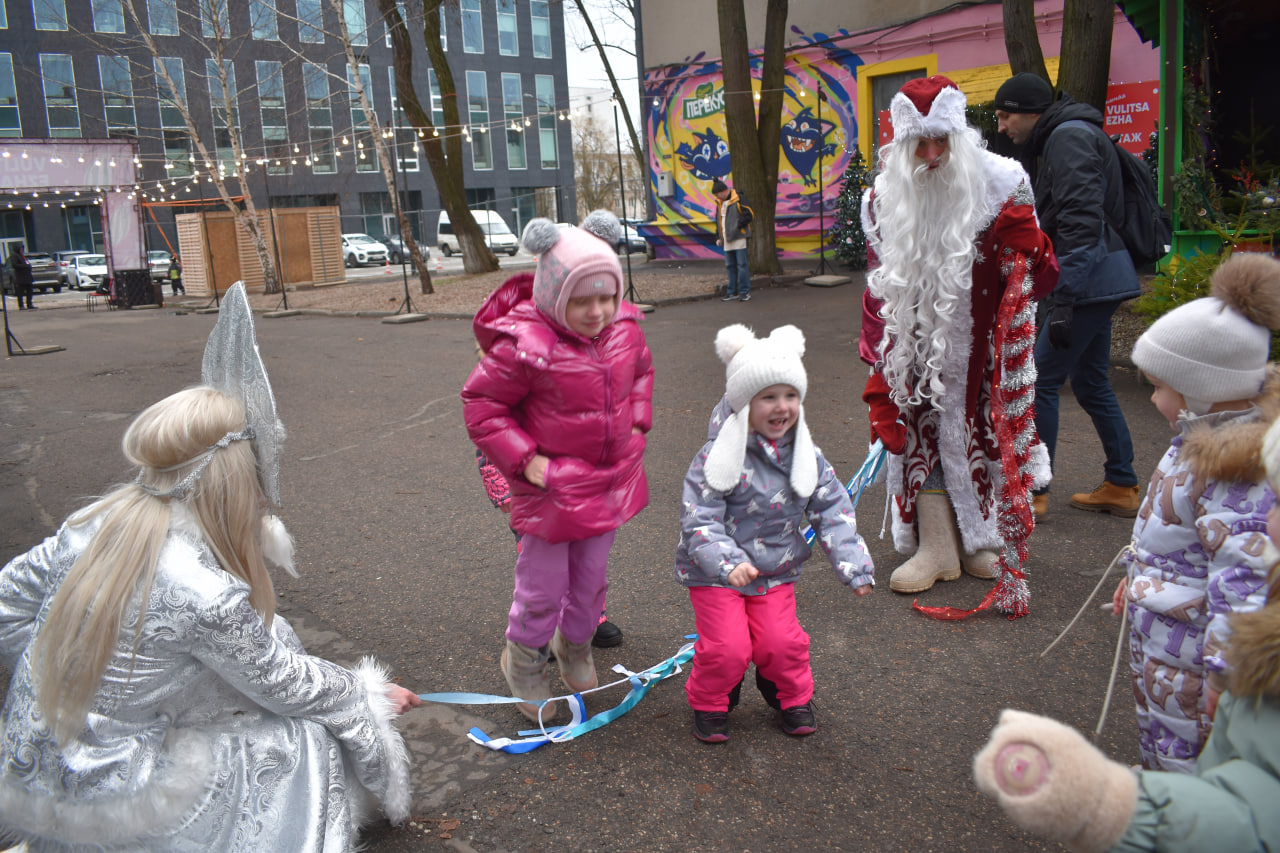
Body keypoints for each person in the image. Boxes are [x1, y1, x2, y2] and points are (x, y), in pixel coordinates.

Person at [0, 284, 419, 851]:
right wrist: (368, 693)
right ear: (233, 484)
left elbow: (7, 608)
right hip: (121, 796)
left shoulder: (89, 527)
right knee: (300, 740)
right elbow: (288, 686)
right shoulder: (202, 591)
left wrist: (71, 671)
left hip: (35, 767)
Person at [972, 402, 1280, 852]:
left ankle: (1172, 785)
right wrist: (1140, 578)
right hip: (1172, 651)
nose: (1265, 514)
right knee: (1168, 722)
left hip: (1192, 663)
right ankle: (1165, 775)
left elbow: (1250, 814)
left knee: (1188, 730)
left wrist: (1106, 803)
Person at [858, 75, 1058, 612]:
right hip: (914, 351)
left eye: (940, 141)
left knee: (982, 438)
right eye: (917, 144)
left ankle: (980, 541)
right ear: (900, 146)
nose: (930, 155)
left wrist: (1031, 250)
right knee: (918, 437)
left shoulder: (1001, 182)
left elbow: (1040, 278)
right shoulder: (882, 197)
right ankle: (938, 546)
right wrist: (876, 356)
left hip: (984, 352)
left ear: (959, 138)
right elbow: (877, 285)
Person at [462, 211, 652, 722]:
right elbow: (482, 407)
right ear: (552, 295)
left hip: (604, 484)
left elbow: (640, 374)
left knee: (591, 583)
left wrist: (637, 424)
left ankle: (577, 647)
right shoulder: (525, 346)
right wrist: (527, 461)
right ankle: (523, 663)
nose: (598, 311)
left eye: (607, 296)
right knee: (542, 587)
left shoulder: (624, 329)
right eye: (582, 300)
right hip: (547, 491)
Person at [1111, 252, 1280, 773]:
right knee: (1160, 728)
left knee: (1189, 745)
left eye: (1159, 386)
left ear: (1201, 392)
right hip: (1165, 639)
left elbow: (1244, 587)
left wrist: (1226, 678)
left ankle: (1181, 811)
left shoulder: (1235, 477)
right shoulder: (1196, 437)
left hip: (1193, 661)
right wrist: (1135, 575)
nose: (1154, 398)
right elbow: (1172, 536)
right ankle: (1165, 788)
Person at [675, 324, 874, 742]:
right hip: (716, 573)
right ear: (744, 402)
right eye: (768, 397)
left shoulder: (806, 455)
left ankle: (791, 696)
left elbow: (833, 509)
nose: (781, 407)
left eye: (790, 395)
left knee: (782, 644)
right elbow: (699, 518)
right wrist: (728, 564)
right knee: (728, 648)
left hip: (774, 569)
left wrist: (854, 565)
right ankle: (712, 700)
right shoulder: (716, 457)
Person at [995, 72, 1144, 519]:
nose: (1002, 127)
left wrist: (1062, 298)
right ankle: (1121, 484)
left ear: (1030, 112)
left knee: (1038, 379)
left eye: (1005, 116)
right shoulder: (1074, 132)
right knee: (1091, 381)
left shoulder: (1067, 137)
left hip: (1088, 279)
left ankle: (1033, 490)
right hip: (1103, 275)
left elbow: (1082, 224)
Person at [711, 177, 753, 302]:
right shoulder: (720, 203)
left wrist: (738, 225)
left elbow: (749, 214)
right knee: (730, 266)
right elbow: (718, 221)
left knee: (742, 265)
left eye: (718, 194)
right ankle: (732, 291)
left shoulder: (739, 198)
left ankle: (744, 292)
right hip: (727, 238)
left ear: (725, 191)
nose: (718, 197)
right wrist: (718, 236)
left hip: (739, 237)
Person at [9, 242, 34, 309]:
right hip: (21, 277)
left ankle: (29, 304)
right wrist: (25, 266)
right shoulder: (14, 256)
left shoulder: (22, 256)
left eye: (22, 248)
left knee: (29, 291)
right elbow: (14, 265)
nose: (21, 249)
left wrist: (28, 266)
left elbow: (27, 263)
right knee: (20, 292)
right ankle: (21, 305)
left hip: (27, 276)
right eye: (20, 248)